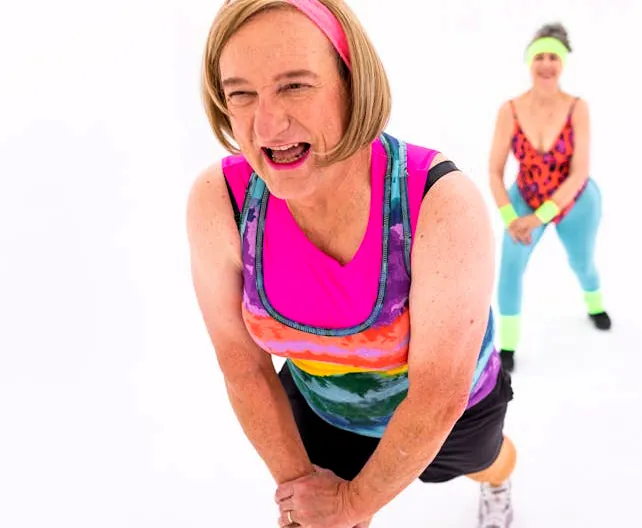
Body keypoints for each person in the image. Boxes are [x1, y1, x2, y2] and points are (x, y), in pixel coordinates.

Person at [186, 1, 516, 526]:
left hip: (455, 415)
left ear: (351, 81)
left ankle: (497, 477)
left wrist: (353, 503)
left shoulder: (440, 202)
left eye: (295, 85)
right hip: (324, 412)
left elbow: (438, 395)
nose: (265, 125)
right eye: (241, 93)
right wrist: (307, 496)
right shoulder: (220, 201)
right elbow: (243, 366)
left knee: (486, 461)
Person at [487, 22, 611, 373]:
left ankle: (595, 304)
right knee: (510, 269)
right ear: (529, 61)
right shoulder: (509, 110)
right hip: (524, 200)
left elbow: (579, 173)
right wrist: (513, 218)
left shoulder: (578, 108)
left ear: (562, 63)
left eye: (553, 57)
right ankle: (507, 346)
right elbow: (494, 172)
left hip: (576, 203)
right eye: (539, 56)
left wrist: (539, 218)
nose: (546, 64)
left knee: (582, 263)